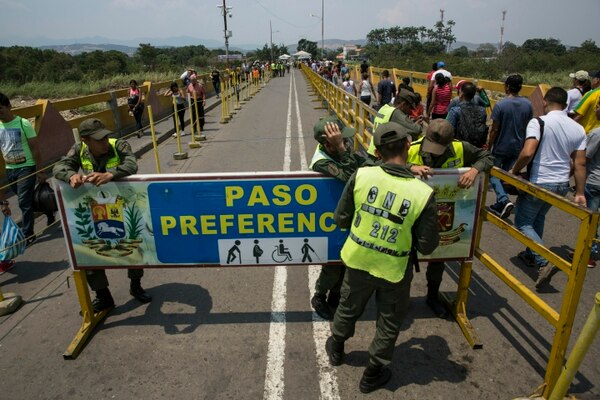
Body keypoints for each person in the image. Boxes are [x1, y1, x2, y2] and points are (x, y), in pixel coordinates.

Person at [326, 121, 439, 394]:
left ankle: (337, 349)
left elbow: (341, 219)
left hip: (357, 259)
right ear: (408, 146)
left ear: (377, 151)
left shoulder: (362, 176)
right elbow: (427, 246)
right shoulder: (423, 193)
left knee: (348, 306)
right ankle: (372, 373)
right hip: (394, 269)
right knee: (389, 321)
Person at [52, 118, 152, 312]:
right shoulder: (78, 148)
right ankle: (103, 296)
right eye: (99, 140)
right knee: (89, 251)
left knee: (133, 247)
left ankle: (136, 286)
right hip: (95, 210)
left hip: (124, 206)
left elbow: (132, 164)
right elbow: (59, 167)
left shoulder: (118, 145)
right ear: (85, 140)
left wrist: (110, 174)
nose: (105, 142)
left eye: (105, 137)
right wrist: (71, 175)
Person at [406, 119, 493, 317]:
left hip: (443, 214)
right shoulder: (412, 148)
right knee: (407, 258)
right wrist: (410, 167)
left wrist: (474, 169)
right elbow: (388, 164)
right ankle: (403, 297)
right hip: (415, 213)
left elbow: (487, 157)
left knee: (439, 257)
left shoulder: (462, 148)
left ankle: (432, 296)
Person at [509, 88, 586, 289]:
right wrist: (579, 192)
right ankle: (530, 254)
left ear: (545, 102)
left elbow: (527, 152)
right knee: (538, 218)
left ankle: (544, 260)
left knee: (523, 222)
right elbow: (579, 163)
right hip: (561, 184)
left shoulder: (539, 122)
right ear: (566, 104)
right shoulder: (578, 128)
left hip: (540, 182)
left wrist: (514, 171)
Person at [309, 116, 373, 320]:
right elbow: (350, 176)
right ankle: (319, 296)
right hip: (329, 220)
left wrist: (405, 168)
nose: (345, 143)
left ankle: (335, 296)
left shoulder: (338, 150)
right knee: (332, 266)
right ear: (328, 144)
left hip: (347, 216)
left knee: (346, 262)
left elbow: (367, 164)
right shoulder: (321, 161)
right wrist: (342, 149)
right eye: (339, 140)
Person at [0, 92, 47, 246]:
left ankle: (28, 234)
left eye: (0, 109)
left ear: (9, 107)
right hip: (10, 169)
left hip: (26, 167)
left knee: (23, 201)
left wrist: (40, 171)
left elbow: (35, 149)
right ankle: (48, 210)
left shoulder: (23, 123)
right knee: (26, 199)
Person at [487, 74, 533, 219]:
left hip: (501, 146)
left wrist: (489, 146)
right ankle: (500, 205)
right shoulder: (528, 105)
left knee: (493, 173)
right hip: (517, 147)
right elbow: (528, 125)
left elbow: (494, 129)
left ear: (507, 87)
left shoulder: (501, 105)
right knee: (507, 175)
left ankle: (503, 199)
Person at [446, 82, 489, 148]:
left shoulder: (455, 111)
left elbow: (448, 130)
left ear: (461, 94)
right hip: (477, 146)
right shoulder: (482, 111)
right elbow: (487, 104)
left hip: (461, 146)